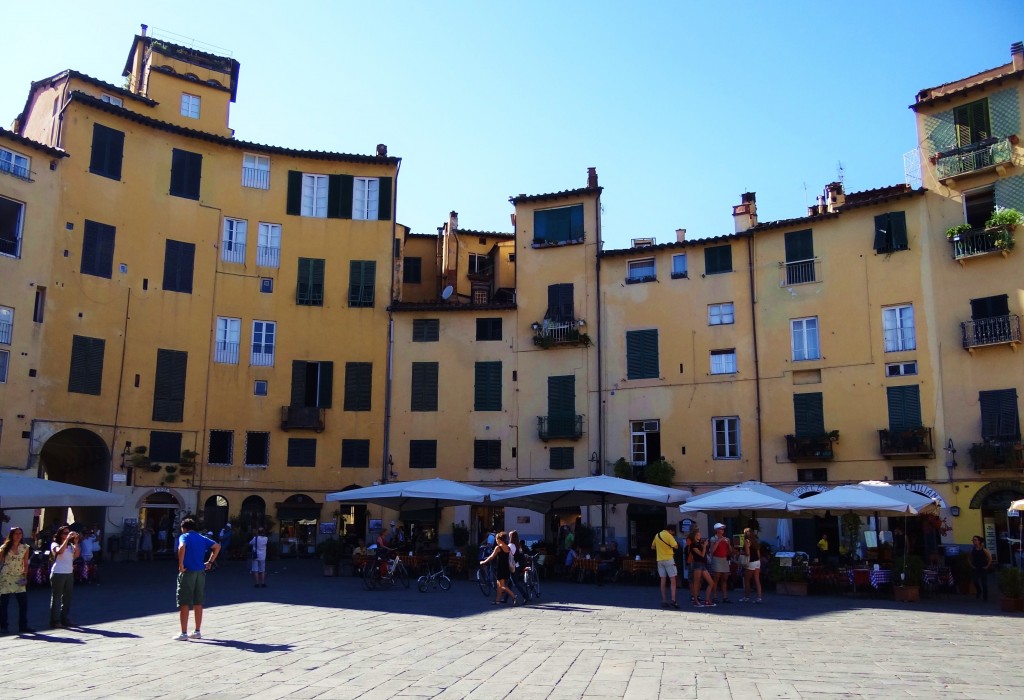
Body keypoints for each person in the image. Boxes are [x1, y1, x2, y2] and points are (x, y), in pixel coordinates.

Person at [174, 517, 220, 641]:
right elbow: (217, 546)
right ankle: (197, 631)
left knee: (184, 602)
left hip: (188, 572)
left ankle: (183, 633)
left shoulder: (184, 536)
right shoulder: (201, 537)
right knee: (198, 602)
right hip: (200, 572)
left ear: (184, 528)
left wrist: (181, 564)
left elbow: (182, 547)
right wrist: (210, 562)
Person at [0, 527, 34, 634]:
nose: (18, 535)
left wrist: (25, 576)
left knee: (23, 603)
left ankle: (23, 626)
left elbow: (25, 563)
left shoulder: (25, 547)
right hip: (6, 576)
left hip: (19, 576)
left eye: (20, 533)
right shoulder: (4, 547)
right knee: (4, 603)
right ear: (11, 535)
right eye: (16, 533)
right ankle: (3, 625)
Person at [49, 526, 79, 627]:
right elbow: (59, 552)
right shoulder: (55, 544)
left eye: (68, 533)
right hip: (58, 572)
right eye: (65, 533)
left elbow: (76, 555)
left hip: (69, 572)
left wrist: (76, 542)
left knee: (67, 597)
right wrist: (67, 539)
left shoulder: (70, 545)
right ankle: (55, 620)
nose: (68, 535)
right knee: (57, 597)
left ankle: (64, 618)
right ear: (60, 535)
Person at [479, 531, 517, 606]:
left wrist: (483, 562)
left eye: (496, 539)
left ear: (499, 539)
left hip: (500, 568)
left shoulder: (498, 547)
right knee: (499, 586)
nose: (496, 541)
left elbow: (491, 557)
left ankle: (514, 596)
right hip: (506, 568)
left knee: (502, 586)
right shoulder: (508, 547)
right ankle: (497, 601)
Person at [652, 524, 680, 609]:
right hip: (669, 559)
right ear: (670, 530)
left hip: (660, 560)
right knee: (672, 579)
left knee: (663, 580)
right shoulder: (669, 536)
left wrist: (660, 548)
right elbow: (676, 546)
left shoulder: (657, 535)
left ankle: (664, 600)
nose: (673, 533)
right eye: (673, 532)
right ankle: (673, 600)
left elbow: (653, 547)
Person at [687, 526, 716, 608]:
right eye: (698, 535)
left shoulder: (699, 543)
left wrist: (704, 545)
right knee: (696, 583)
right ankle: (696, 601)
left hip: (703, 565)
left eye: (699, 535)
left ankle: (707, 600)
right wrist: (705, 546)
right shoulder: (693, 545)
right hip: (697, 564)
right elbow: (702, 555)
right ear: (695, 536)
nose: (699, 536)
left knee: (711, 582)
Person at [709, 523, 734, 604]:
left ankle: (725, 597)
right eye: (720, 529)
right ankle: (715, 597)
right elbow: (712, 550)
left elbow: (730, 551)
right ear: (717, 530)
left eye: (723, 529)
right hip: (717, 559)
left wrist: (728, 544)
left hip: (724, 559)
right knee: (716, 579)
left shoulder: (726, 539)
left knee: (724, 579)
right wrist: (719, 541)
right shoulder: (713, 539)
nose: (722, 530)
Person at [740, 526, 763, 603]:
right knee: (757, 580)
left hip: (751, 562)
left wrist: (741, 552)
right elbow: (758, 554)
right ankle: (759, 598)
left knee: (747, 580)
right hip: (757, 562)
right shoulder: (755, 541)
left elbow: (747, 553)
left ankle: (746, 597)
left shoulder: (747, 541)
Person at [969, 535, 992, 602]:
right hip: (975, 567)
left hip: (983, 567)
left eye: (975, 540)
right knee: (975, 581)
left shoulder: (984, 550)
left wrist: (987, 566)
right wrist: (971, 565)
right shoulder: (972, 550)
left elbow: (990, 558)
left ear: (979, 541)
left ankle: (985, 596)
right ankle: (979, 590)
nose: (974, 541)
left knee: (984, 583)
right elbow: (969, 558)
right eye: (973, 540)